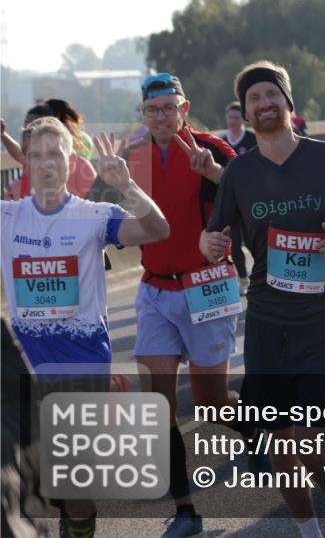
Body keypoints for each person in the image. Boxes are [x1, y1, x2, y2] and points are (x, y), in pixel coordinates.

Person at [201, 60, 325, 538]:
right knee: (283, 446)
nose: (263, 104)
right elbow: (211, 235)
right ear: (245, 111)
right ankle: (311, 531)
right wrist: (211, 245)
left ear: (288, 101)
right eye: (253, 99)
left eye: (270, 95)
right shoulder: (239, 173)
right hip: (267, 321)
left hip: (324, 317)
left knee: (308, 438)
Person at [2, 119, 169, 537]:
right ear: (25, 163)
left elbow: (157, 230)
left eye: (54, 154)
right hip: (26, 364)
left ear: (70, 158)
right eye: (36, 155)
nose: (45, 164)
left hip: (83, 363)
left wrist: (128, 187)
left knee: (73, 488)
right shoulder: (7, 217)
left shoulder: (96, 216)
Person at [121, 73, 247, 538]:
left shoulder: (213, 148)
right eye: (152, 110)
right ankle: (186, 511)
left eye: (168, 108)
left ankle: (259, 432)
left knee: (212, 403)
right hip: (154, 288)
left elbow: (249, 195)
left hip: (206, 286)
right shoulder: (132, 156)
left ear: (184, 108)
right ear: (143, 114)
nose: (160, 117)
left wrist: (214, 172)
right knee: (157, 406)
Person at [2, 104, 98, 200]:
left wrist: (109, 183)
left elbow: (95, 199)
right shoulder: (32, 162)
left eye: (37, 125)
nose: (31, 129)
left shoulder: (81, 165)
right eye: (27, 125)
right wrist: (3, 135)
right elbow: (18, 153)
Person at [219, 101, 258, 293]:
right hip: (230, 201)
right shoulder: (220, 142)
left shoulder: (252, 139)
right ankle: (243, 279)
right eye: (230, 117)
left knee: (252, 241)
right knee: (234, 243)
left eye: (236, 117)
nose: (233, 121)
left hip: (251, 200)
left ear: (243, 119)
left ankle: (261, 272)